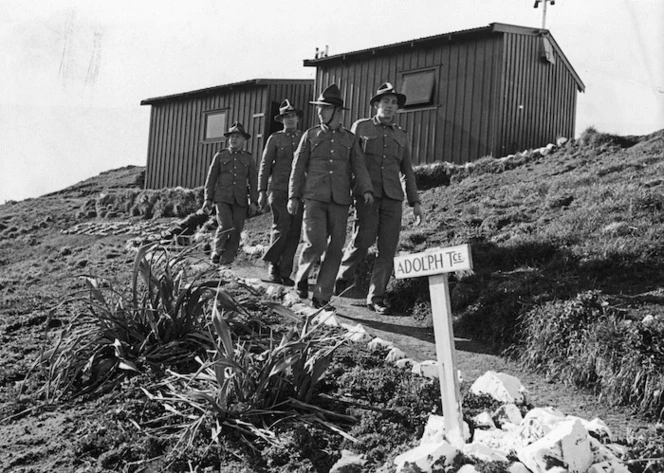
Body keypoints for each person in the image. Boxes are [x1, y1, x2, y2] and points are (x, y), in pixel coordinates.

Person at [335, 82, 425, 314]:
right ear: (376, 105)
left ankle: (376, 297)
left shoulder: (401, 136)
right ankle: (342, 276)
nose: (390, 106)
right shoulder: (361, 127)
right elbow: (350, 162)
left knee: (387, 249)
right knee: (362, 241)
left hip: (393, 199)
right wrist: (348, 191)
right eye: (386, 102)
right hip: (367, 196)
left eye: (394, 103)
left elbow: (407, 171)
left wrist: (415, 202)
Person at [288, 84, 374, 309]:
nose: (320, 112)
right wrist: (293, 196)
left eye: (324, 108)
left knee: (335, 248)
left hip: (340, 200)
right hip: (314, 198)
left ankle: (321, 297)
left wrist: (365, 189)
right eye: (319, 108)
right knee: (315, 242)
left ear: (337, 111)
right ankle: (302, 276)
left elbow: (359, 166)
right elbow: (297, 168)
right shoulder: (310, 134)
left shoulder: (350, 139)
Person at [257, 100, 304, 286]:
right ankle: (273, 265)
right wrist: (261, 191)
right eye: (286, 117)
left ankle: (285, 271)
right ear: (282, 120)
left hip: (299, 192)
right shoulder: (275, 139)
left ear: (298, 118)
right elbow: (265, 165)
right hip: (279, 190)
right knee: (281, 226)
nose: (290, 120)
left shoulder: (304, 138)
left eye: (292, 116)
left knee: (294, 232)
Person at [202, 122, 258, 265]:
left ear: (243, 140)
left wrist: (254, 201)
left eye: (237, 137)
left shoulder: (248, 158)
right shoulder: (220, 156)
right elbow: (211, 178)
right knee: (226, 224)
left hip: (240, 200)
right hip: (222, 198)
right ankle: (217, 250)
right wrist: (207, 198)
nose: (234, 139)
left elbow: (253, 181)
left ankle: (226, 263)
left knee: (236, 232)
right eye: (232, 136)